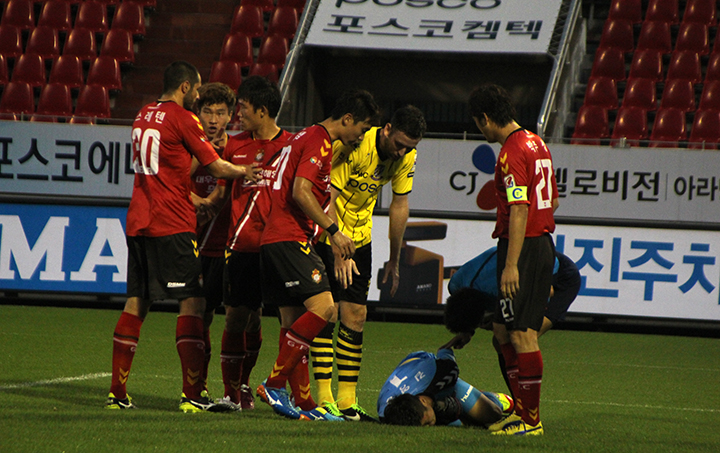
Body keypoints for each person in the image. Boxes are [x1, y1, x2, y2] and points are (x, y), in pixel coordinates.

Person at [106, 61, 260, 413]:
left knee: (136, 303)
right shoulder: (183, 118)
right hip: (172, 223)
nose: (199, 96)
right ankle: (193, 395)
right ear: (186, 87)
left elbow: (166, 169)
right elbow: (216, 166)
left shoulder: (143, 115)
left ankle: (117, 394)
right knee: (193, 303)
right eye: (198, 89)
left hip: (139, 221)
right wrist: (244, 170)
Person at [255, 89, 380, 421]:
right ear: (347, 119)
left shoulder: (305, 136)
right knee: (325, 308)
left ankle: (305, 403)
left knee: (292, 322)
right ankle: (273, 384)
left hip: (276, 237)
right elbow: (301, 191)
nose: (361, 137)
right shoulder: (319, 140)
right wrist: (333, 231)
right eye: (362, 129)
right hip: (289, 237)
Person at [311, 105, 427, 422]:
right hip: (328, 235)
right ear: (387, 129)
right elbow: (328, 196)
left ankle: (347, 401)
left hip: (360, 239)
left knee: (356, 315)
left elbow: (400, 205)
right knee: (327, 311)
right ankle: (324, 398)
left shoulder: (406, 157)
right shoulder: (356, 144)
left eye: (409, 148)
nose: (402, 152)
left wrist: (394, 259)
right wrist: (336, 246)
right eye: (399, 144)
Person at [467, 83, 559, 435]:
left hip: (525, 248)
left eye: (478, 124)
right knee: (502, 330)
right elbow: (552, 200)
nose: (481, 130)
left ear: (485, 118)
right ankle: (521, 411)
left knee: (522, 334)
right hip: (538, 243)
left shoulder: (510, 152)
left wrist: (511, 265)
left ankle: (530, 421)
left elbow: (519, 208)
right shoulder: (536, 143)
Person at [198, 76, 294, 410]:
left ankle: (272, 387)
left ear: (263, 111)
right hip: (241, 246)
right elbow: (221, 194)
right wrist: (200, 205)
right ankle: (232, 393)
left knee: (281, 321)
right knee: (236, 319)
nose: (239, 114)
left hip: (279, 247)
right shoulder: (234, 147)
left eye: (244, 108)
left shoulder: (291, 146)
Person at [442, 246, 580, 419]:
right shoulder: (456, 284)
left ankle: (528, 414)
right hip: (518, 266)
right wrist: (466, 332)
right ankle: (519, 407)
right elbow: (469, 307)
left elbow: (547, 292)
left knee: (522, 340)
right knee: (500, 340)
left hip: (559, 277)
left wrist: (496, 319)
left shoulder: (507, 288)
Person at [188, 82, 237, 407]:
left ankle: (236, 390)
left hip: (232, 246)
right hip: (199, 247)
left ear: (231, 116)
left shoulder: (237, 149)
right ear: (199, 113)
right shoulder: (191, 149)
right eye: (208, 111)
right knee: (200, 316)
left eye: (220, 112)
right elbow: (173, 184)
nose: (214, 119)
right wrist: (199, 201)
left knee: (240, 317)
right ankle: (200, 387)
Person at [377, 348, 514, 427]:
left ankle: (496, 398)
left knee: (492, 415)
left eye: (427, 423)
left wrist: (446, 349)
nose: (430, 427)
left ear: (423, 401)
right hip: (415, 380)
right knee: (454, 417)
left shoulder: (442, 374)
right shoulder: (389, 413)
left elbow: (446, 354)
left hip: (428, 367)